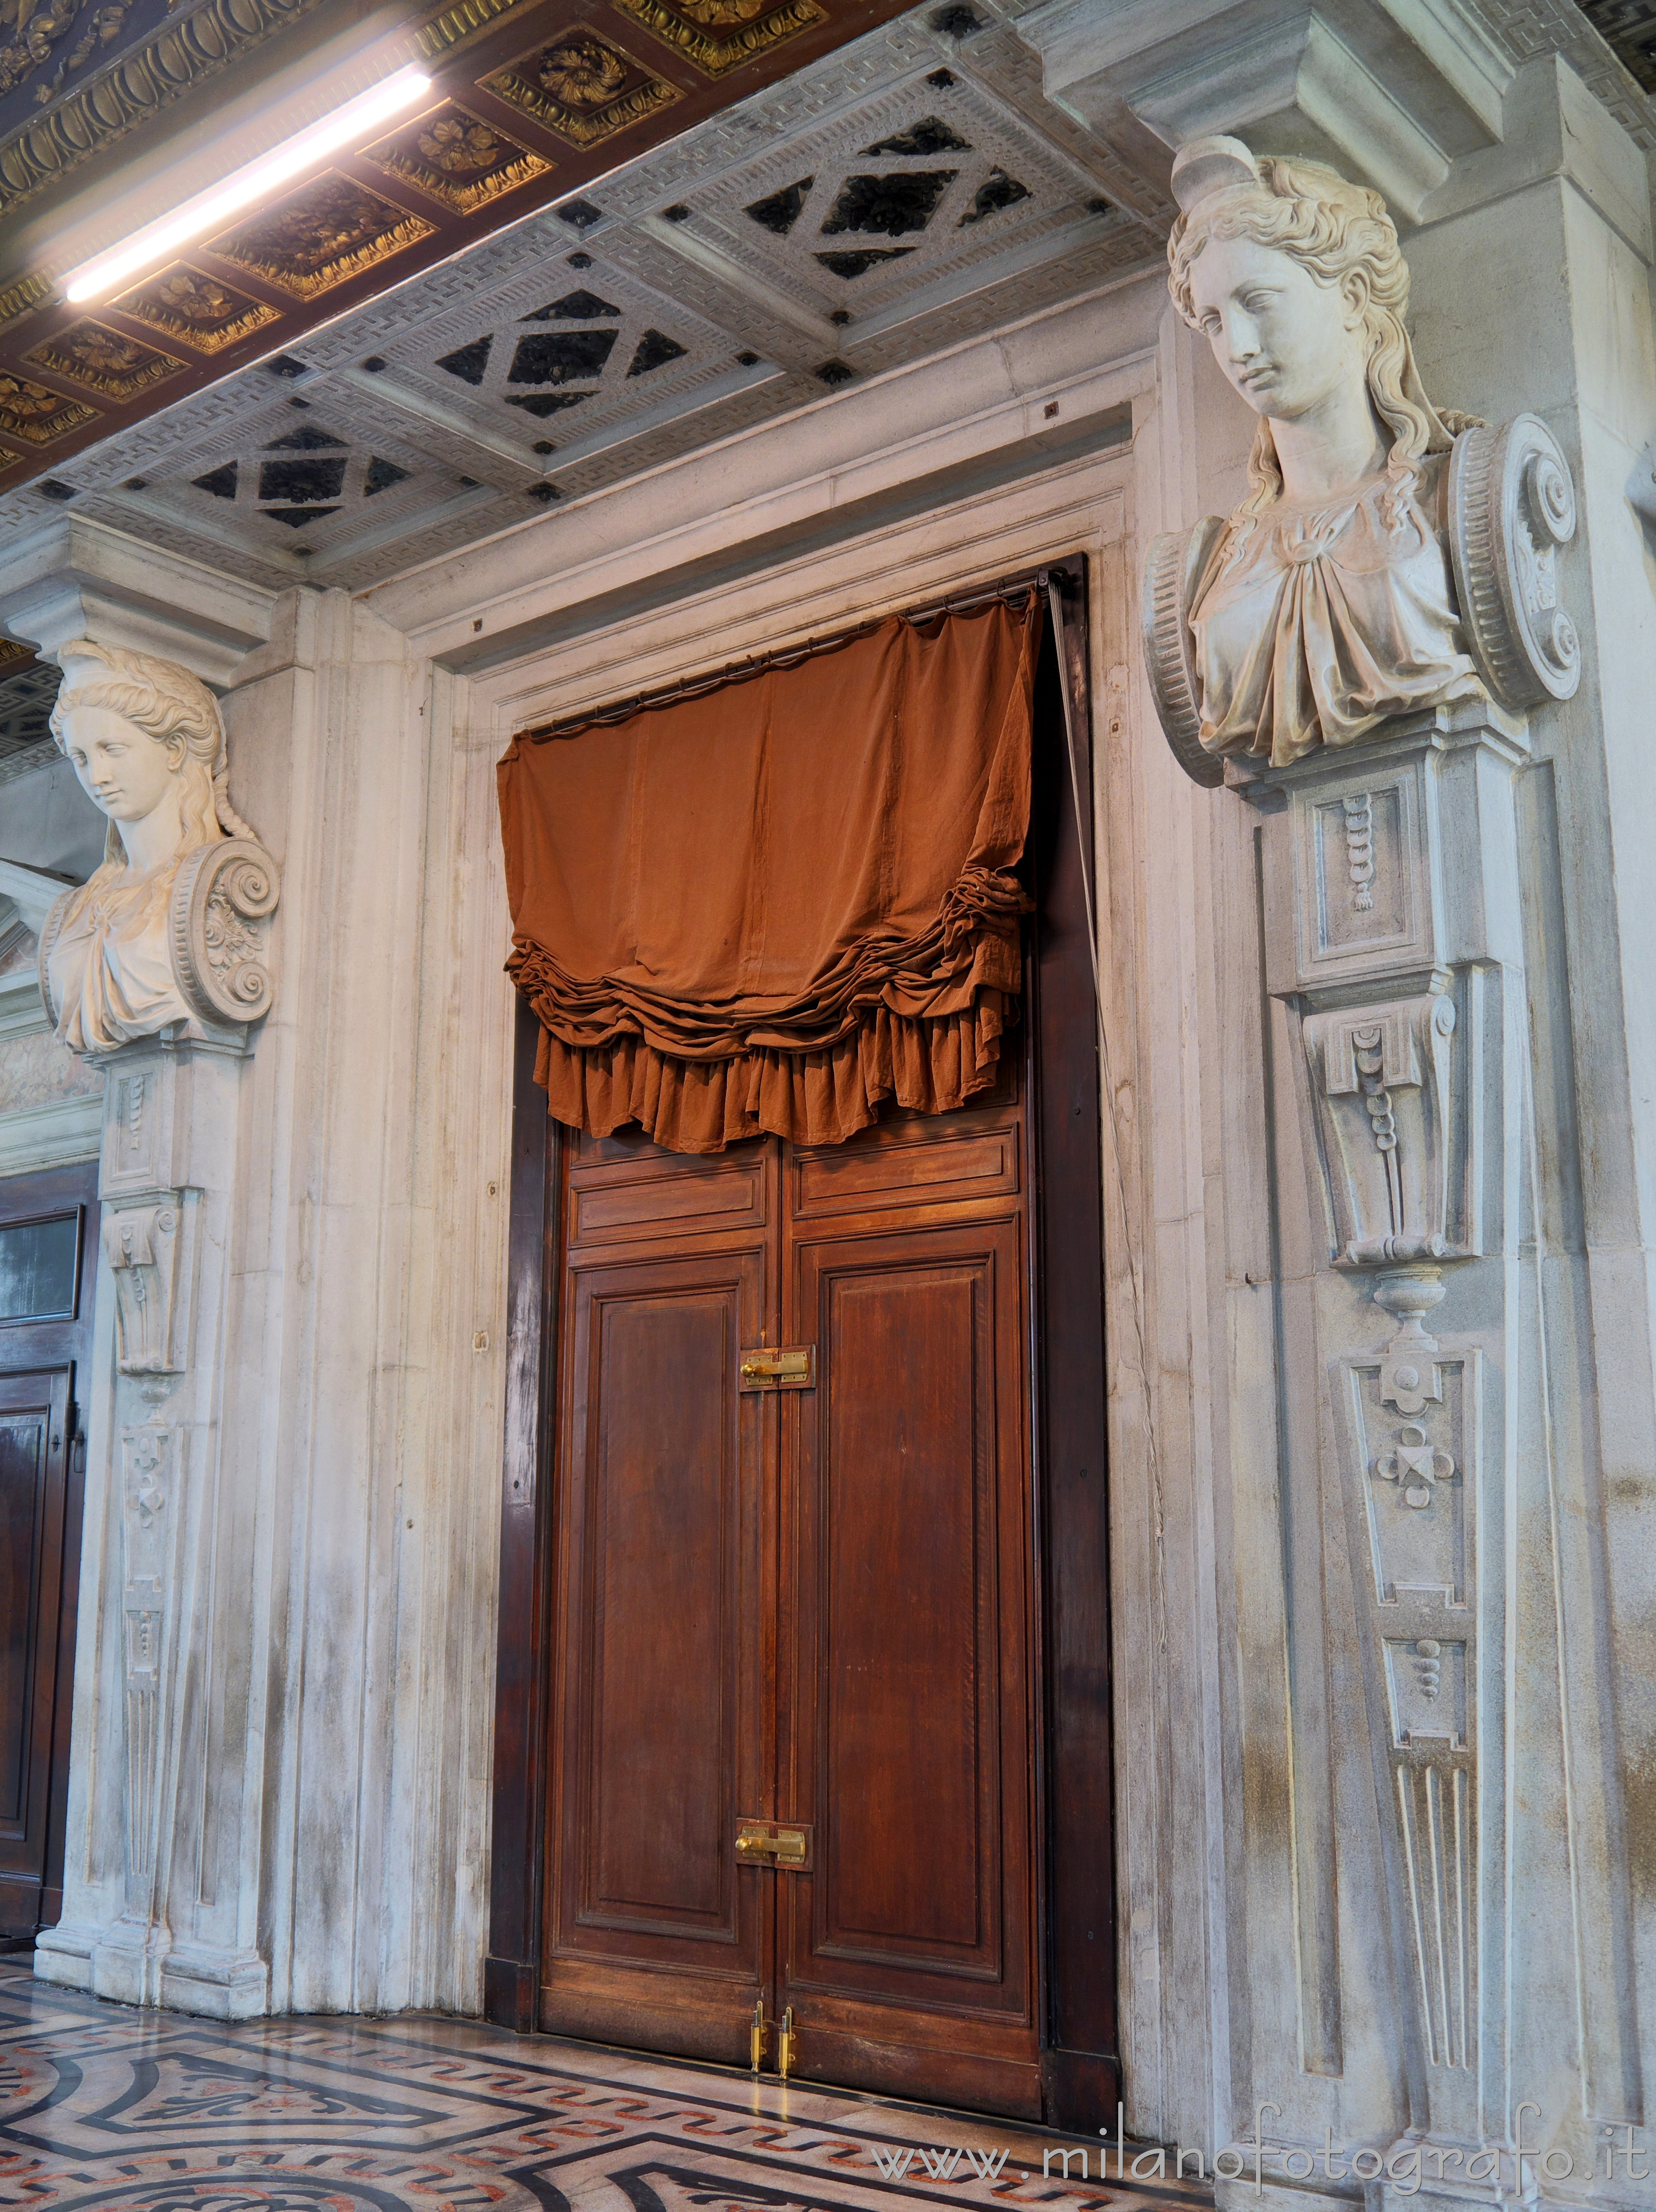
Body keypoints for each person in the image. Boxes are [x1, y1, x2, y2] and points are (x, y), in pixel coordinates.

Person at [1167, 135, 1485, 766]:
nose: (1237, 347)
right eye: (1213, 321)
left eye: (1257, 302)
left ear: (1354, 296)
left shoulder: (1451, 496)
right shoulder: (1220, 556)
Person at [40, 639, 256, 1051]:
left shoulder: (204, 887)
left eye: (112, 750)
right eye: (81, 758)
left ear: (175, 749)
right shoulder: (78, 908)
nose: (97, 776)